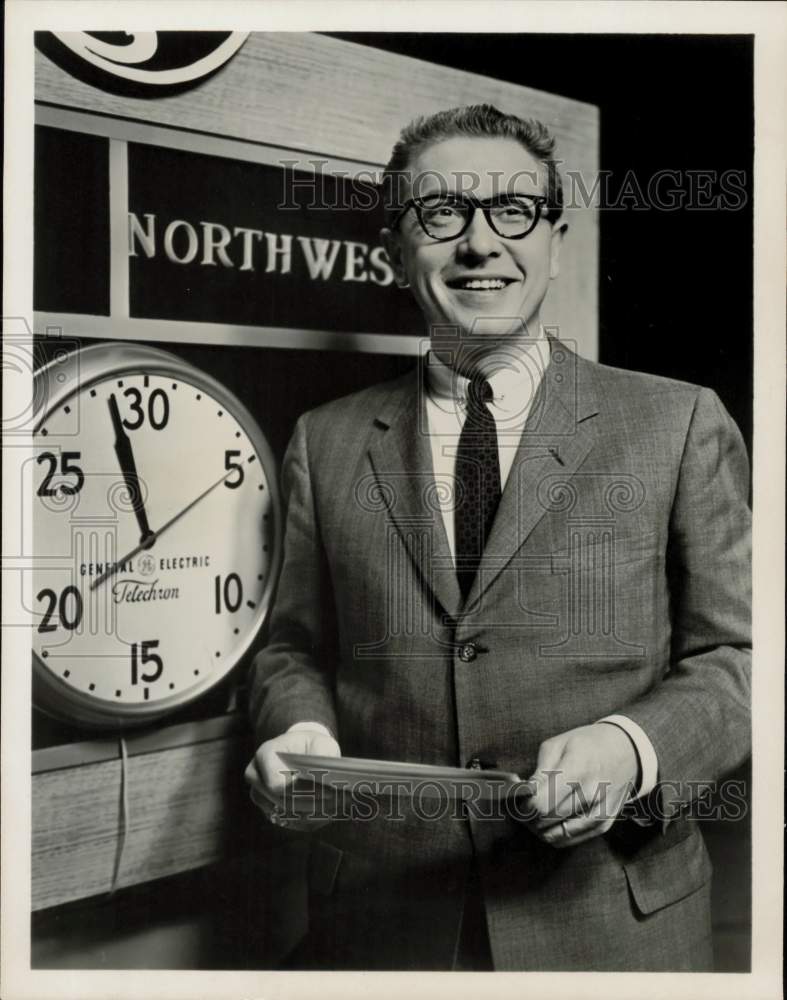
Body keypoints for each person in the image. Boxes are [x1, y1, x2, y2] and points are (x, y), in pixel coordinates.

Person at [244, 104, 751, 971]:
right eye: (441, 213)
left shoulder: (676, 422)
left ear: (554, 238)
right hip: (383, 925)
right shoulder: (322, 441)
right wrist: (302, 738)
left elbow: (741, 660)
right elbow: (291, 647)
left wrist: (632, 752)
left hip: (613, 930)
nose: (480, 243)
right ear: (395, 249)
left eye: (512, 210)